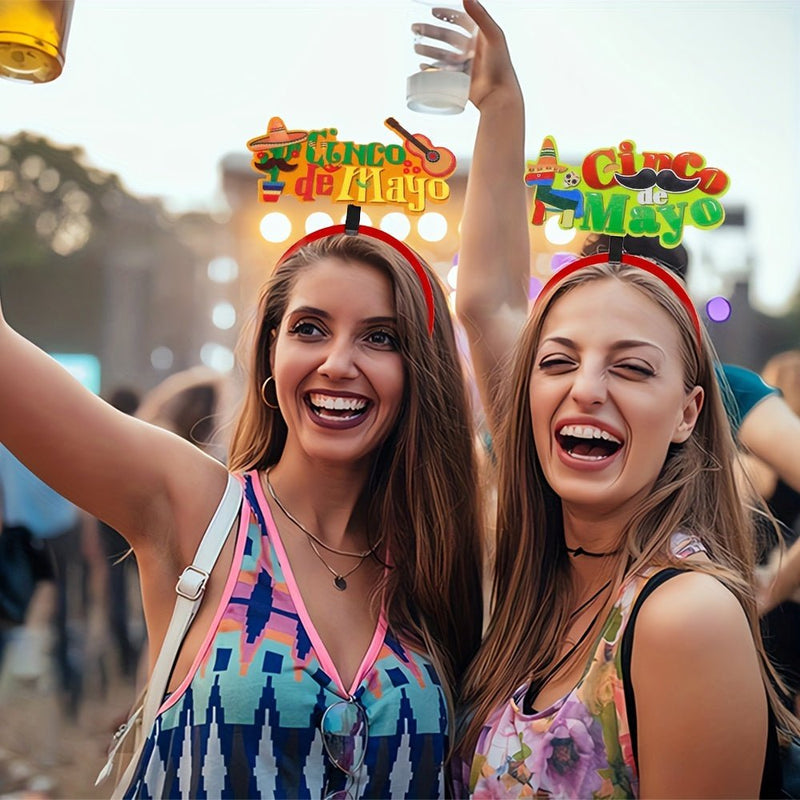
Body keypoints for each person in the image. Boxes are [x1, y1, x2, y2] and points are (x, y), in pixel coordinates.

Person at [0, 215, 484, 798]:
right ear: (269, 354)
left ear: (418, 372)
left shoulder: (439, 557)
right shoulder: (200, 507)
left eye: (380, 337)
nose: (337, 362)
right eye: (310, 329)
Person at [452, 1, 794, 796]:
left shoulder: (683, 618)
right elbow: (486, 306)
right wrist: (503, 110)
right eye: (560, 360)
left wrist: (775, 584)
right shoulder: (545, 594)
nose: (588, 388)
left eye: (634, 367)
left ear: (691, 407)